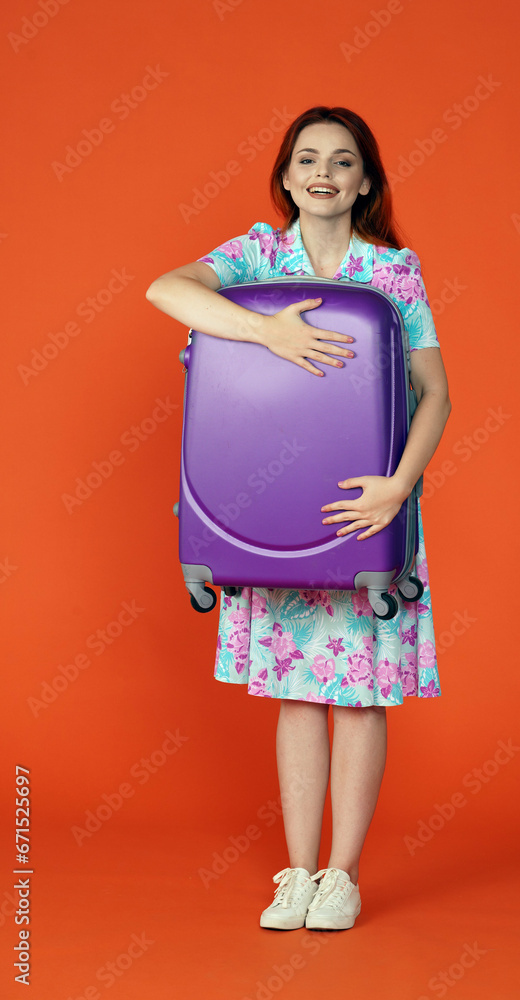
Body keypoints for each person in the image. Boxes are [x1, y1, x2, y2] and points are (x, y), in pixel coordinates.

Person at [146, 105, 452, 932]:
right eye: (307, 158)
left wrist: (398, 487)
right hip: (269, 518)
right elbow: (164, 290)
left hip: (366, 512)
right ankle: (298, 874)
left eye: (342, 160)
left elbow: (436, 392)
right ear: (285, 177)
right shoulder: (252, 257)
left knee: (356, 696)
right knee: (294, 691)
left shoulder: (393, 272)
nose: (323, 171)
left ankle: (341, 878)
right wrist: (263, 334)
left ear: (364, 181)